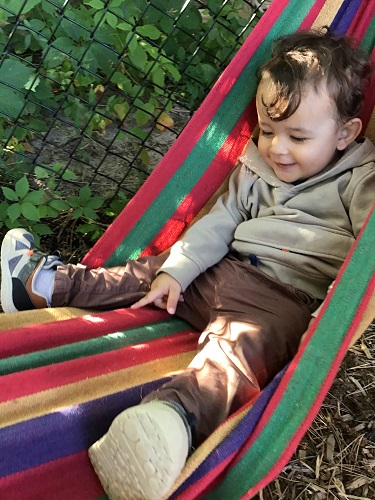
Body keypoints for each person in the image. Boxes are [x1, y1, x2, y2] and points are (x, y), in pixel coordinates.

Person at [1, 28, 375, 500]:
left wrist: (334, 319)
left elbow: (368, 259)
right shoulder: (259, 167)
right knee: (145, 273)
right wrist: (177, 271)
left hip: (281, 302)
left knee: (234, 357)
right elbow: (219, 223)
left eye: (297, 136)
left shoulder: (360, 181)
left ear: (346, 133)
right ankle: (40, 286)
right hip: (222, 271)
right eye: (268, 129)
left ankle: (166, 424)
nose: (277, 148)